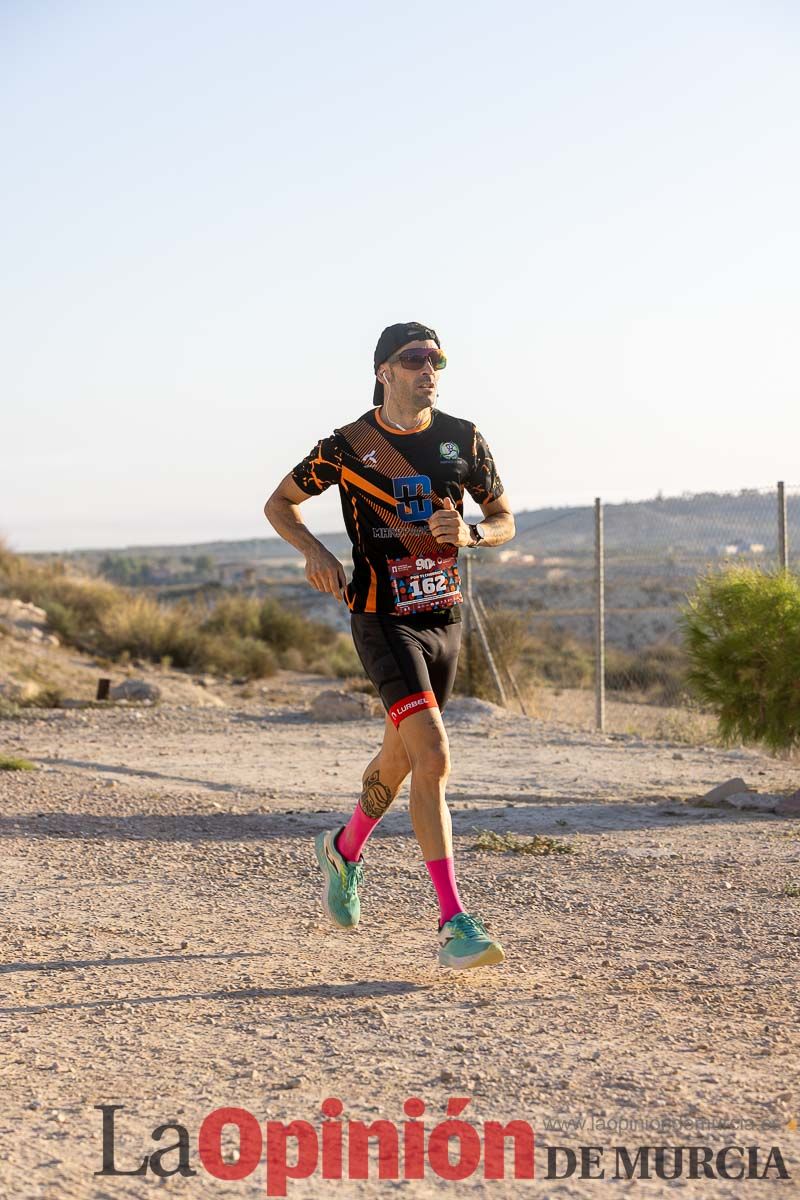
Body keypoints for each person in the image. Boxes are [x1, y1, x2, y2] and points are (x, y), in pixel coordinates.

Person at [264, 321, 515, 970]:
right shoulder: (349, 446)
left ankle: (343, 851)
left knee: (399, 762)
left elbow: (504, 519)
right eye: (414, 359)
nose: (429, 369)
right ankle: (454, 921)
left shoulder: (465, 439)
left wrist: (470, 536)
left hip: (444, 619)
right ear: (384, 370)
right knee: (432, 755)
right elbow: (280, 503)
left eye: (436, 359)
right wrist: (314, 551)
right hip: (382, 617)